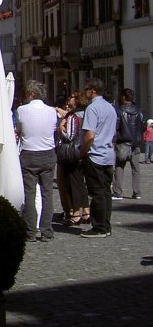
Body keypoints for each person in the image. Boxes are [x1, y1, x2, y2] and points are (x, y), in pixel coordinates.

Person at [15, 80, 59, 242]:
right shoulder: (51, 111)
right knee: (47, 194)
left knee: (30, 194)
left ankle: (30, 231)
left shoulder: (22, 110)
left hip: (29, 154)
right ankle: (47, 231)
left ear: (31, 94)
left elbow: (19, 130)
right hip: (48, 153)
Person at [79, 78, 117, 238]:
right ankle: (106, 224)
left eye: (86, 89)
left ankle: (99, 227)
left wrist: (82, 151)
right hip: (108, 154)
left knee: (97, 193)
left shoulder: (92, 108)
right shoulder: (110, 108)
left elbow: (90, 134)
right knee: (106, 192)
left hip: (95, 155)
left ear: (93, 90)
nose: (85, 92)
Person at [56, 90, 89, 226]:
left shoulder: (73, 116)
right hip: (83, 151)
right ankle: (86, 212)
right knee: (81, 184)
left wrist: (61, 129)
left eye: (72, 98)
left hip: (72, 152)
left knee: (73, 183)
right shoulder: (86, 114)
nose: (69, 100)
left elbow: (70, 136)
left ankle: (76, 214)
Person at [114, 89, 145, 199]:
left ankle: (118, 192)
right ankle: (137, 192)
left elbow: (116, 127)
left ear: (123, 97)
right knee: (136, 169)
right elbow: (142, 126)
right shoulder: (139, 111)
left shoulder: (119, 111)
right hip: (135, 143)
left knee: (119, 167)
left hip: (122, 142)